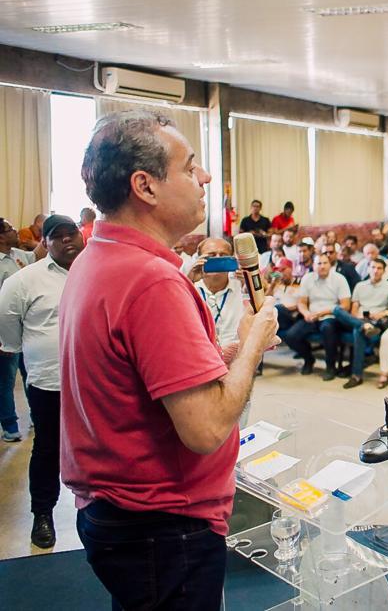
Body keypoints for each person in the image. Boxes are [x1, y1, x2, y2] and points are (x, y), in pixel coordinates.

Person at [62, 110, 279, 609]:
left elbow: (135, 373)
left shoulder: (99, 258)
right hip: (163, 524)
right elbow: (204, 430)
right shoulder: (153, 280)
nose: (204, 178)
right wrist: (250, 345)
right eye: (189, 167)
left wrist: (217, 356)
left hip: (116, 513)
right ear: (146, 186)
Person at [0, 214, 83, 548]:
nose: (67, 241)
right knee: (48, 448)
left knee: (99, 449)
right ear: (44, 242)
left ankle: (97, 513)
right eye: (58, 236)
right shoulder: (24, 281)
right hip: (49, 383)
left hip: (96, 382)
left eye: (72, 233)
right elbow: (9, 330)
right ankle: (43, 515)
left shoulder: (98, 270)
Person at [285, 254, 350, 381]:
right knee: (291, 336)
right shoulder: (307, 278)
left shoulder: (339, 279)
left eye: (325, 263)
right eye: (318, 264)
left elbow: (345, 305)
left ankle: (330, 367)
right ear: (313, 266)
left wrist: (322, 314)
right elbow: (302, 302)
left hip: (331, 315)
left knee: (328, 329)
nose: (322, 266)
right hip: (312, 315)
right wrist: (306, 313)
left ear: (330, 265)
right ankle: (309, 359)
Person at [0, 216, 36, 442]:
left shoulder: (20, 255)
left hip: (29, 328)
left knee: (31, 374)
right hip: (6, 330)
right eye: (11, 229)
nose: (17, 232)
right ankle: (9, 425)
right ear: (1, 236)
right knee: (5, 379)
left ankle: (36, 414)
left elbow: (40, 257)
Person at [340, 257, 388, 388]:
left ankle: (356, 375)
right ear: (368, 269)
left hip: (377, 321)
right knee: (338, 310)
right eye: (373, 267)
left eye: (379, 268)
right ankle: (363, 325)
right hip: (360, 319)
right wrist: (358, 319)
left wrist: (383, 313)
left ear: (384, 271)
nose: (376, 271)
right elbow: (354, 308)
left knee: (358, 331)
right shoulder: (360, 286)